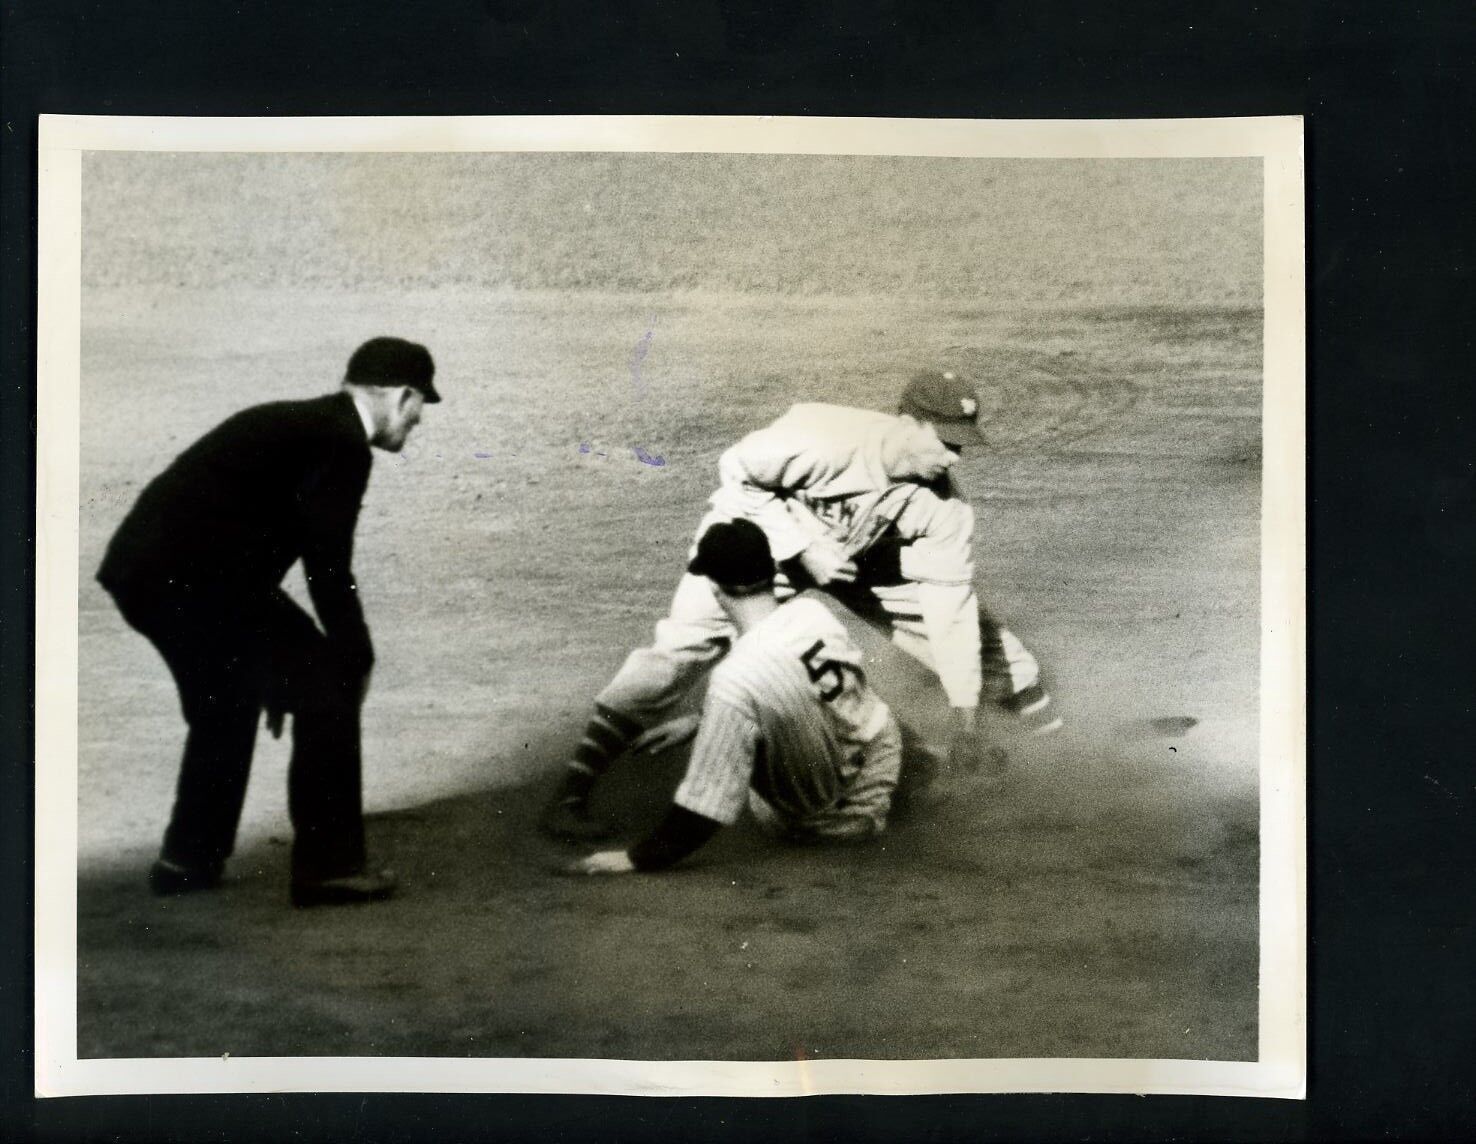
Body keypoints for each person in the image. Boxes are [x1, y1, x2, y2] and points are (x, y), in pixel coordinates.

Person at [544, 368, 1054, 841]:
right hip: (758, 537)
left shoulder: (942, 504)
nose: (953, 457)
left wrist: (963, 716)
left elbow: (951, 608)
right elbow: (736, 474)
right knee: (681, 650)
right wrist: (804, 547)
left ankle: (1053, 768)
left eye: (962, 444)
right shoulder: (821, 437)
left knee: (990, 652)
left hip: (862, 557)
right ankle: (571, 794)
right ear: (907, 423)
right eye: (944, 442)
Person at [96, 336, 439, 907]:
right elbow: (328, 566)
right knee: (329, 685)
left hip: (146, 574)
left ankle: (188, 861)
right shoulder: (342, 443)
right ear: (400, 395)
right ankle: (329, 868)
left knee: (226, 699)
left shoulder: (304, 424)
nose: (420, 419)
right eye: (420, 403)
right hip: (198, 582)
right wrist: (355, 657)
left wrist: (275, 662)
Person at [565, 519, 904, 875]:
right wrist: (702, 719)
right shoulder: (812, 613)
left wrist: (632, 859)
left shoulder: (734, 680)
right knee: (846, 711)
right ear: (772, 568)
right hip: (883, 759)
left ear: (714, 587)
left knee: (744, 763)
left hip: (835, 824)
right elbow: (802, 685)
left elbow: (703, 810)